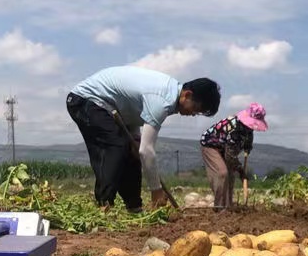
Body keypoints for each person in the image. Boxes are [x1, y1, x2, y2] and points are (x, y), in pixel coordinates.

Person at [67, 66, 221, 212]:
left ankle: (133, 206)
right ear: (187, 95)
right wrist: (156, 190)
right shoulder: (162, 100)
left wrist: (135, 139)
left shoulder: (169, 94)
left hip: (111, 107)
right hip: (85, 100)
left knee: (132, 152)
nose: (193, 114)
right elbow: (147, 151)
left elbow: (131, 112)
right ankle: (104, 205)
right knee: (115, 147)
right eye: (195, 109)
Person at [200, 102, 268, 209]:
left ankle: (228, 206)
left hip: (225, 147)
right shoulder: (234, 128)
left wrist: (247, 147)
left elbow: (248, 140)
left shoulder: (248, 129)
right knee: (222, 172)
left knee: (231, 176)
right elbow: (230, 156)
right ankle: (219, 206)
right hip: (210, 145)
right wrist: (241, 171)